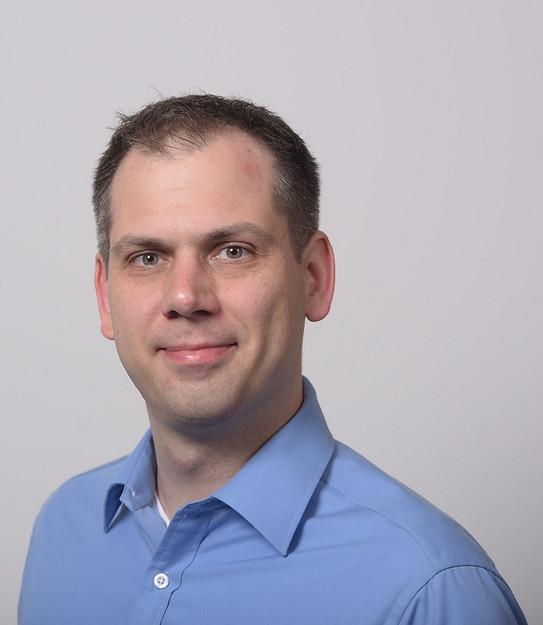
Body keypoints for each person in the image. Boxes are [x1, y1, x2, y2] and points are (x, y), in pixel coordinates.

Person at [19, 94, 527, 625]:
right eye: (147, 257)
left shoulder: (429, 590)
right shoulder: (63, 529)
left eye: (232, 250)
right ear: (105, 296)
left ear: (313, 278)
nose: (186, 297)